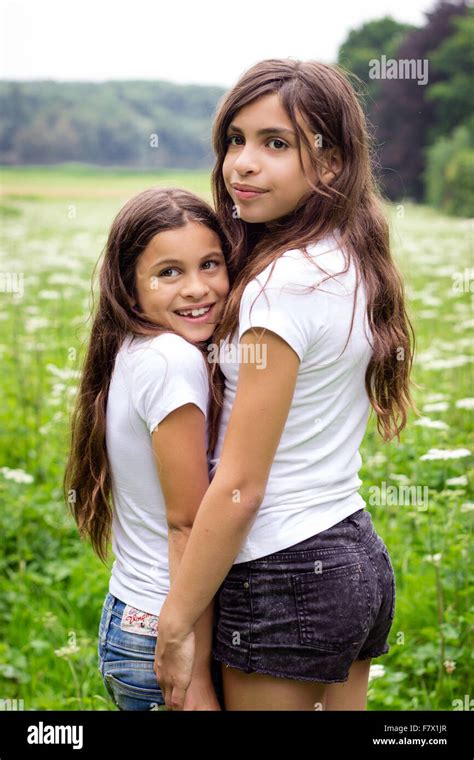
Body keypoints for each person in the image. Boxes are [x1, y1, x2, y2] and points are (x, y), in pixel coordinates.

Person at [154, 59, 417, 711]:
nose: (242, 164)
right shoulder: (347, 259)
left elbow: (241, 485)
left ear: (330, 164)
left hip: (286, 568)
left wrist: (176, 620)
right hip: (353, 551)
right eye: (235, 140)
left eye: (275, 144)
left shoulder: (283, 287)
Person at [63, 186, 231, 710]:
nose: (198, 289)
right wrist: (197, 673)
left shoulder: (135, 350)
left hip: (133, 616)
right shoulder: (171, 361)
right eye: (169, 273)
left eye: (211, 264)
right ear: (130, 291)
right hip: (165, 630)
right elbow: (187, 524)